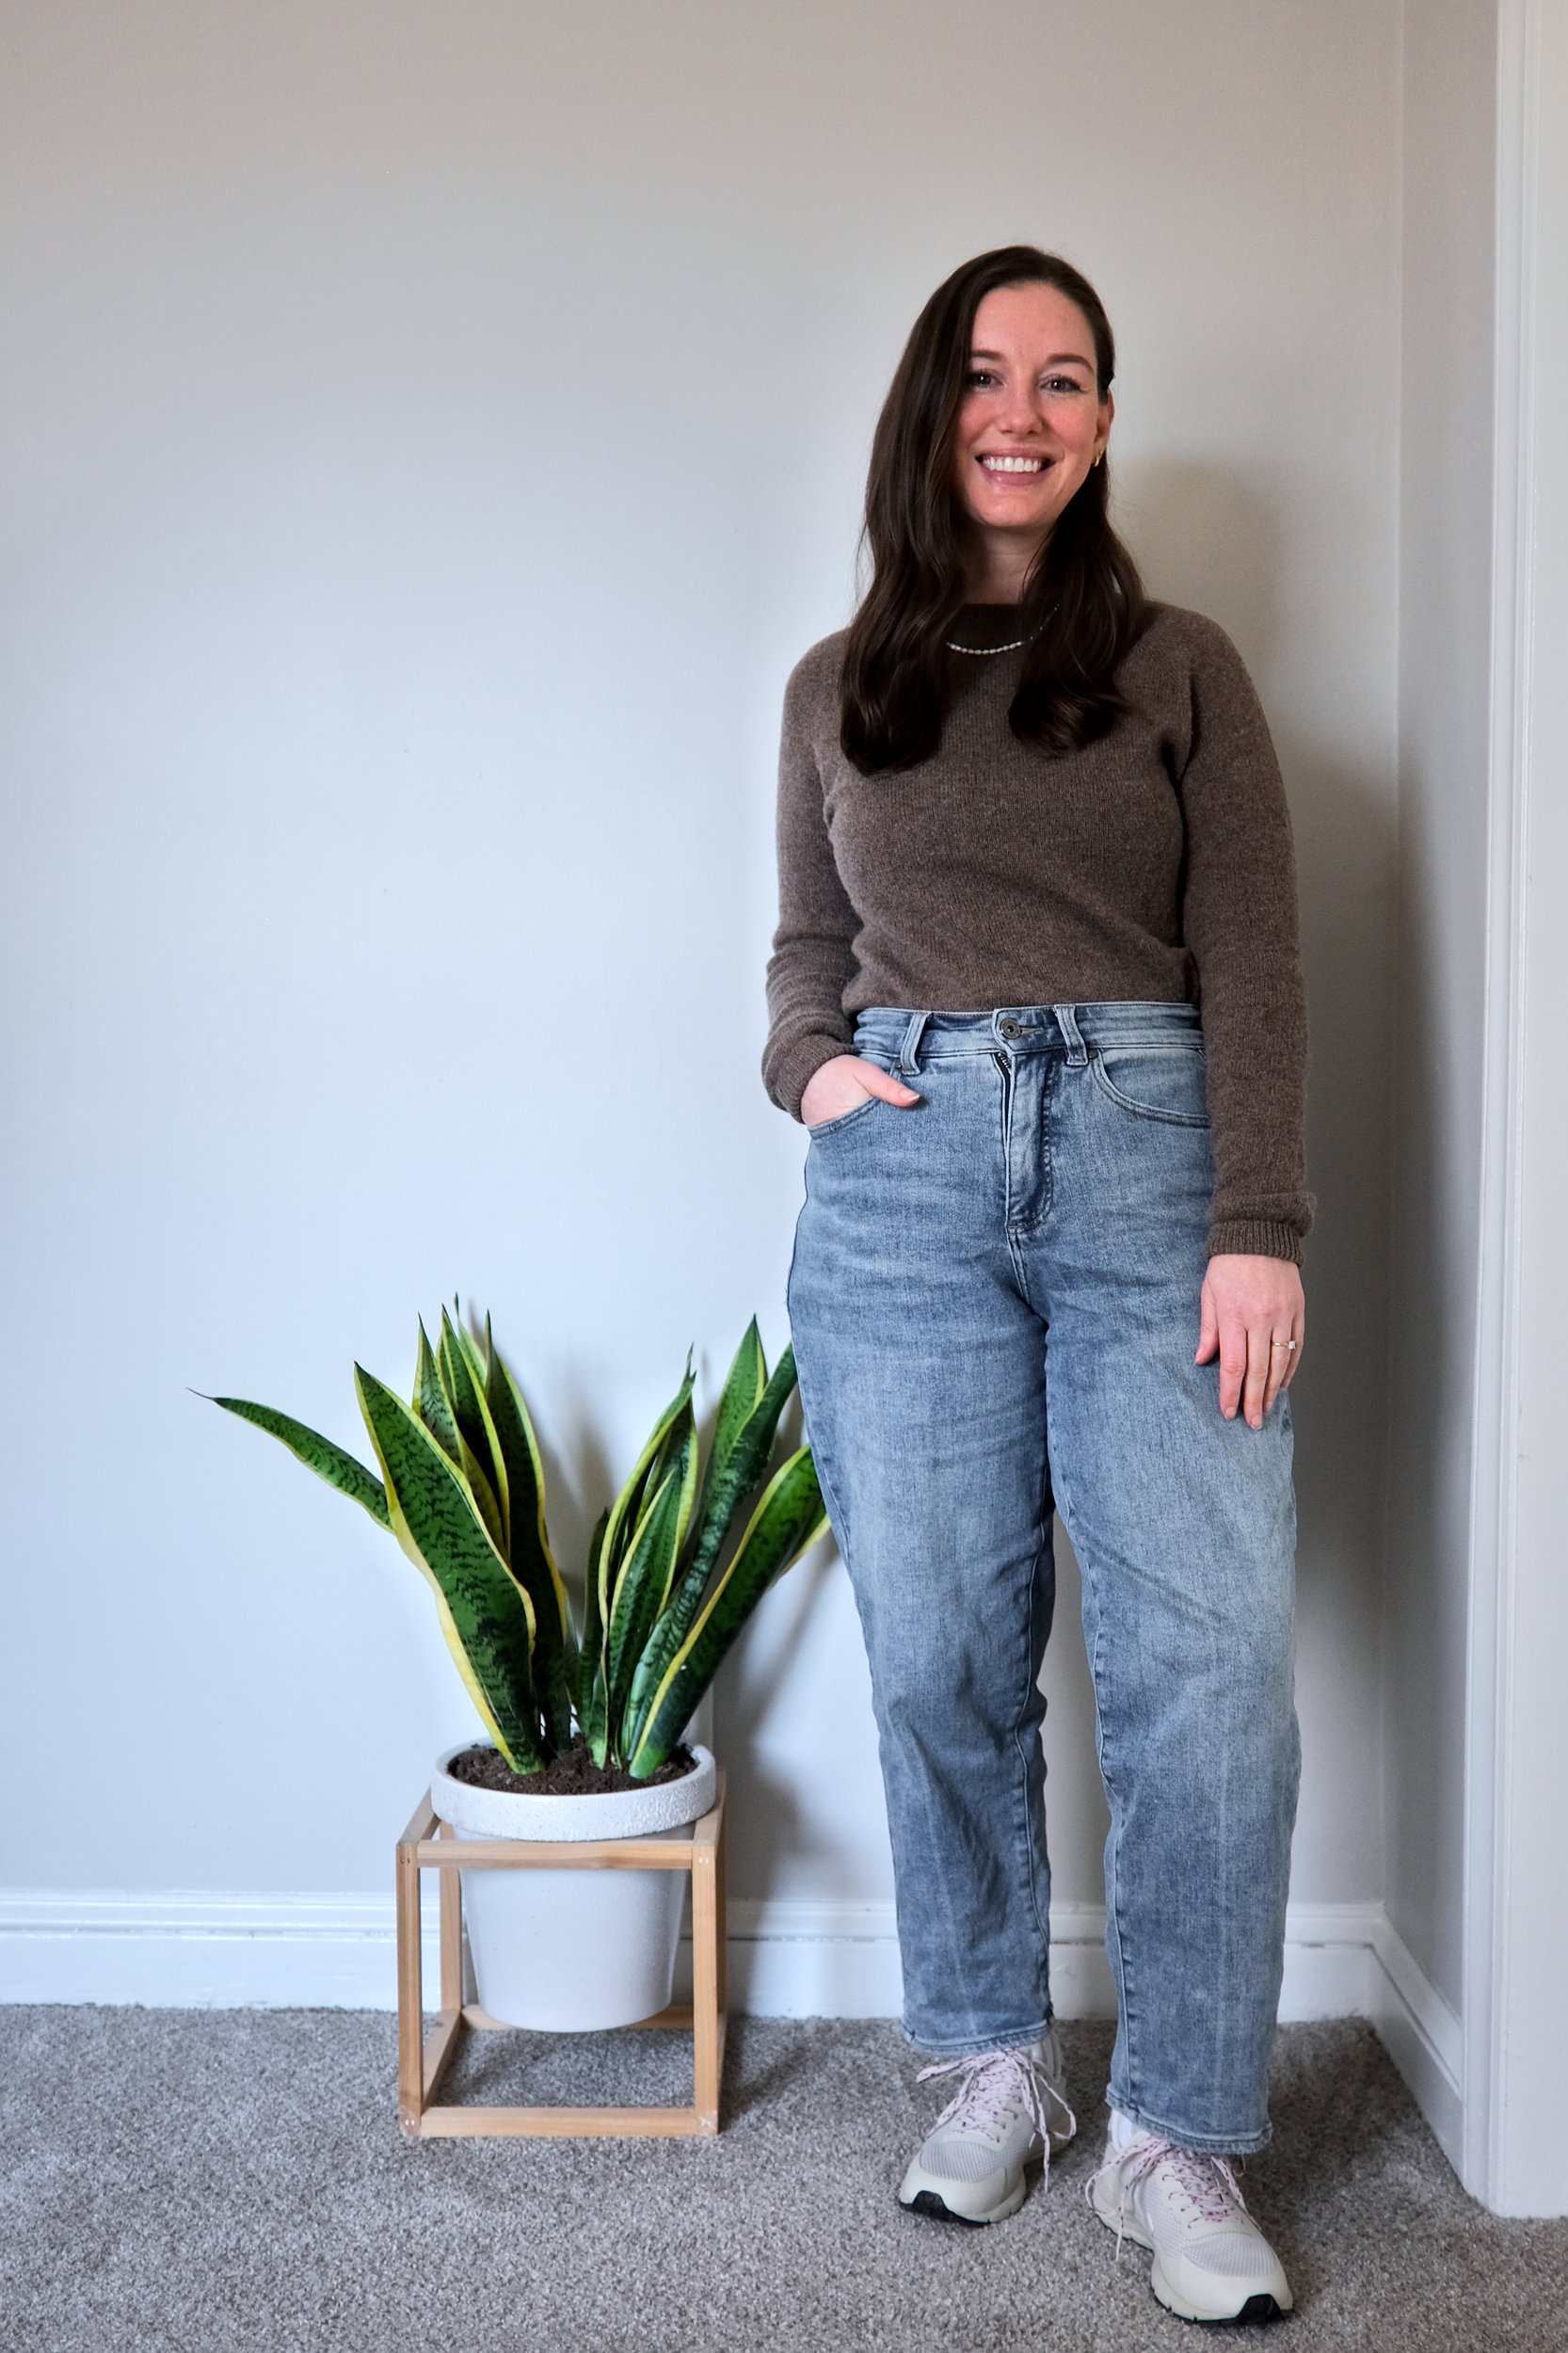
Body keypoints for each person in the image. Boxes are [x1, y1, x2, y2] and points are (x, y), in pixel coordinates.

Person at [764, 246, 1308, 2328]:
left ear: (1098, 420)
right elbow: (797, 956)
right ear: (935, 408)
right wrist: (812, 1070)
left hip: (1152, 1166)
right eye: (985, 374)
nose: (1022, 407)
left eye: (1063, 377)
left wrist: (1255, 1218)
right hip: (899, 1184)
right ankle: (991, 2053)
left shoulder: (1177, 665)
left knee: (1204, 1673)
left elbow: (1252, 956)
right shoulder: (836, 684)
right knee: (936, 1649)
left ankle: (1175, 2127)